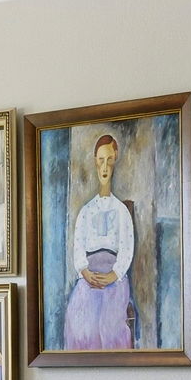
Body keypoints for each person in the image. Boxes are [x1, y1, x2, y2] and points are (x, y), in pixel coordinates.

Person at [62, 133, 135, 350]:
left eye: (109, 160)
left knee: (109, 326)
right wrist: (84, 272)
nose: (105, 167)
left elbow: (126, 248)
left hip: (114, 278)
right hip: (89, 278)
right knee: (78, 321)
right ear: (95, 162)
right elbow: (78, 248)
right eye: (101, 160)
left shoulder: (121, 211)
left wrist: (114, 274)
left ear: (115, 162)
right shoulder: (86, 211)